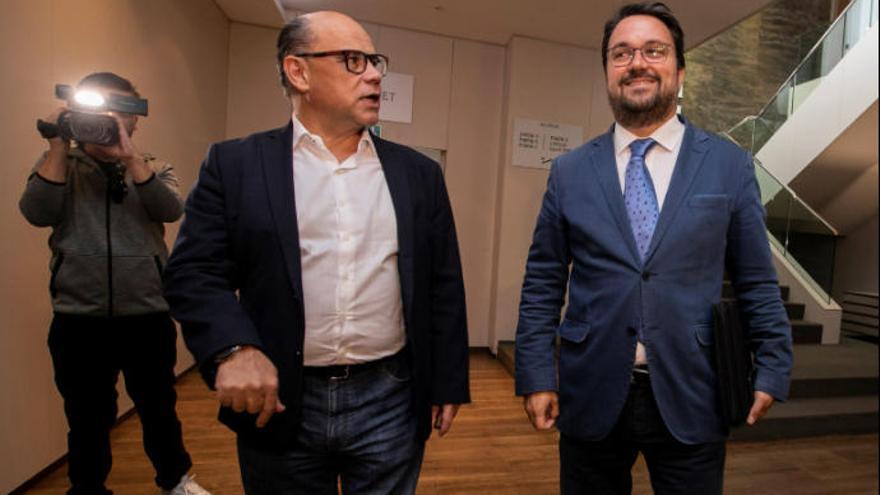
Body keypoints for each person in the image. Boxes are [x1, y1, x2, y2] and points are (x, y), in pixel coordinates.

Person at [162, 11, 470, 495]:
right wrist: (233, 348)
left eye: (374, 61)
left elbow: (443, 284)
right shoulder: (236, 165)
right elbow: (194, 272)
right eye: (353, 60)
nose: (373, 74)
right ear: (298, 72)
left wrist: (448, 381)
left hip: (390, 395)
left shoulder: (418, 174)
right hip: (281, 400)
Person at [514, 3, 793, 494]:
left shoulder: (729, 165)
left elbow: (756, 280)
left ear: (679, 70)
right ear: (606, 71)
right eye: (621, 53)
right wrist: (536, 373)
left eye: (653, 50)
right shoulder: (571, 171)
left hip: (693, 389)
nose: (636, 62)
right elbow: (542, 282)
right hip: (591, 388)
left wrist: (773, 364)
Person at [19, 72, 209, 495]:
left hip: (147, 314)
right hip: (78, 318)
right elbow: (37, 211)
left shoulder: (154, 166)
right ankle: (87, 488)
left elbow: (170, 208)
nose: (113, 118)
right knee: (87, 415)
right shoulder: (60, 165)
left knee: (159, 407)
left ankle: (175, 481)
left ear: (137, 119)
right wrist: (56, 144)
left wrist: (129, 158)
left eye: (124, 110)